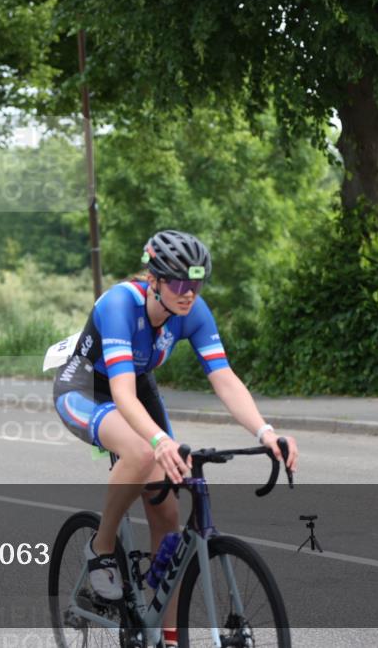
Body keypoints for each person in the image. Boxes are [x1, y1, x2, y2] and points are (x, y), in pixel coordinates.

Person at [52, 230, 298, 646]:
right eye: (180, 284)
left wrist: (266, 431)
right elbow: (121, 394)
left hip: (137, 385)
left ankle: (166, 635)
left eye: (196, 284)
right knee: (141, 451)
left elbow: (224, 378)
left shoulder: (193, 311)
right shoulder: (119, 305)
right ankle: (101, 548)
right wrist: (159, 442)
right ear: (154, 280)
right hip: (86, 389)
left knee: (168, 516)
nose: (189, 294)